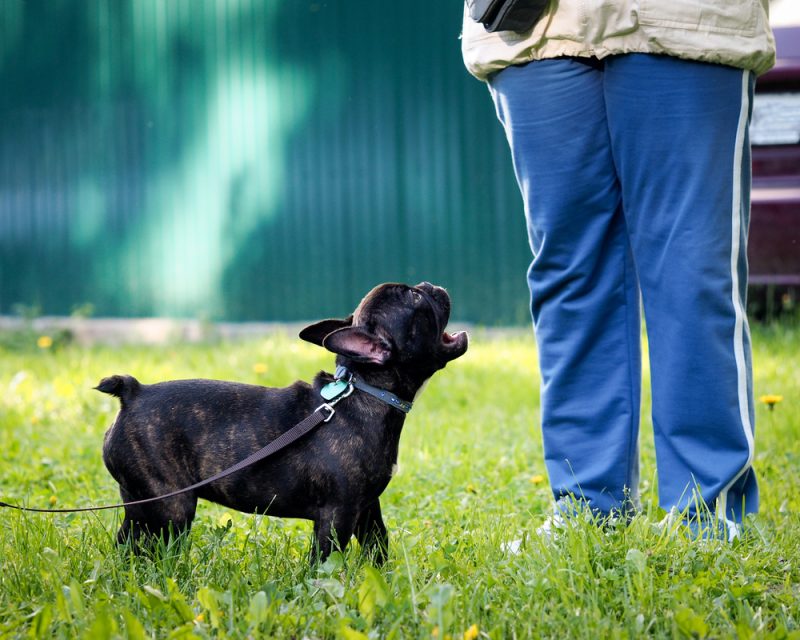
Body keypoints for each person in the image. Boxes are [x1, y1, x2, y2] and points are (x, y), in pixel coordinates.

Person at [462, 1, 775, 539]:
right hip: (537, 29)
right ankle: (587, 509)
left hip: (681, 22)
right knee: (570, 274)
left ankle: (706, 515)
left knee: (690, 272)